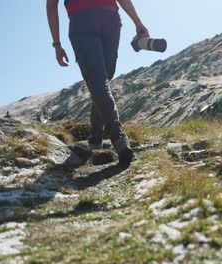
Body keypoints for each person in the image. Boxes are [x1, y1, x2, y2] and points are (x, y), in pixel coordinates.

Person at [46, 0, 149, 166]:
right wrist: (56, 44)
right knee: (98, 81)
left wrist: (138, 23)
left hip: (111, 20)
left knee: (104, 79)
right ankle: (118, 136)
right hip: (83, 22)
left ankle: (95, 135)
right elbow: (51, 5)